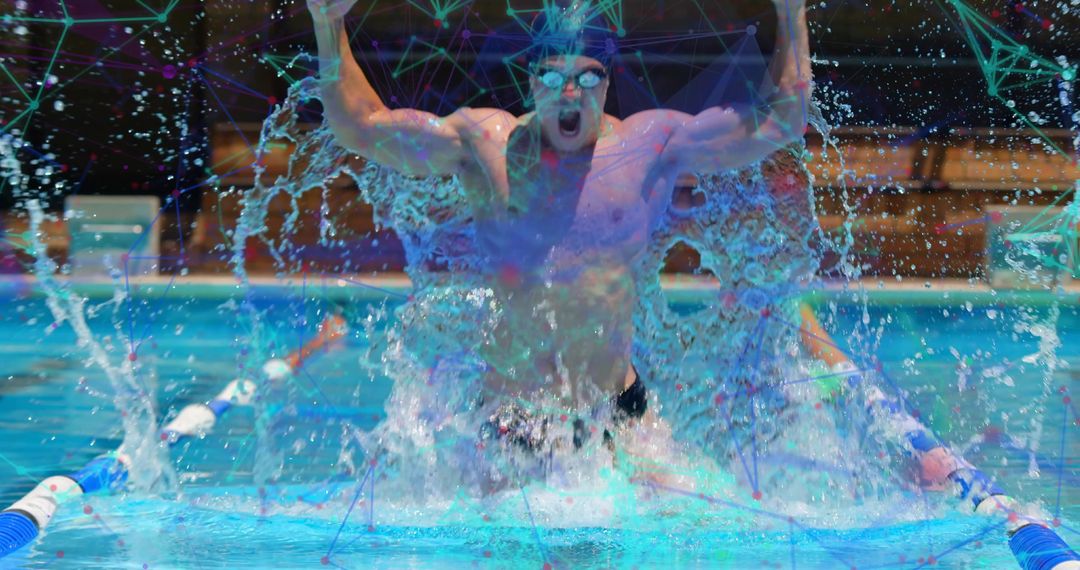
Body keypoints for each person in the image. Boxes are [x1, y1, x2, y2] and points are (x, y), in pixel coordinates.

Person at [306, 0, 811, 479]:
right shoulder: (486, 145)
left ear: (608, 82)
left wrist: (793, 11)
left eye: (587, 78)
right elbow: (361, 127)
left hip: (616, 415)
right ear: (531, 82)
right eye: (553, 78)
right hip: (512, 418)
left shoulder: (651, 146)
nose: (570, 93)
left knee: (691, 528)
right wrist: (327, 21)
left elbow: (783, 121)